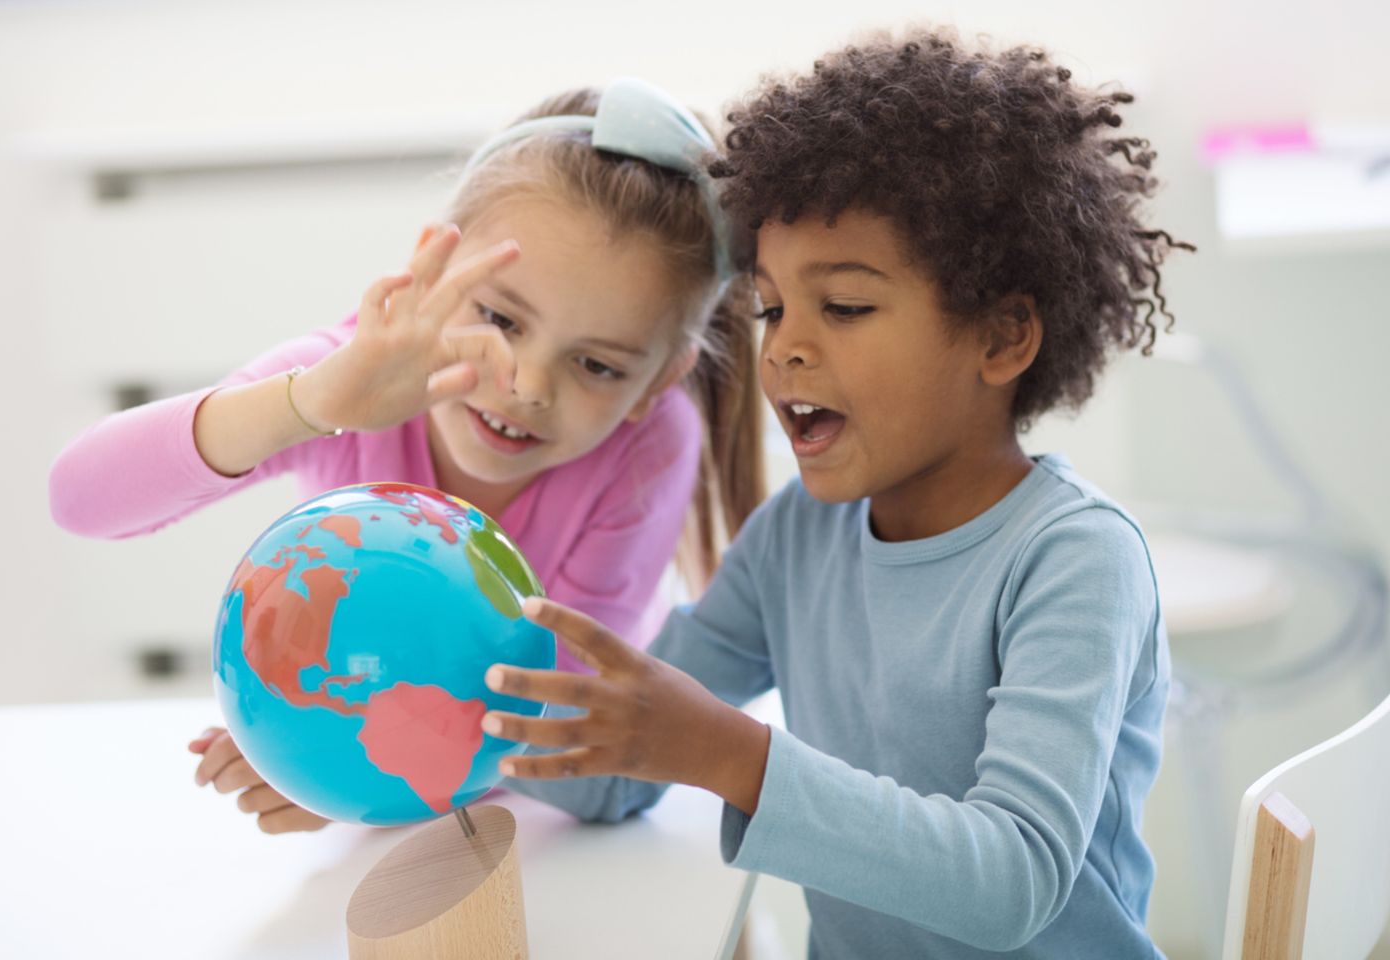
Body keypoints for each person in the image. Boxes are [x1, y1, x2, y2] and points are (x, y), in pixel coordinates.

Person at [483, 30, 1193, 958]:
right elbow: (617, 762)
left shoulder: (1074, 562)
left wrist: (731, 755)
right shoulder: (795, 542)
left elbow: (1011, 879)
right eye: (773, 307)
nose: (783, 349)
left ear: (1003, 337)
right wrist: (430, 726)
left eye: (846, 307)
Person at [48, 79, 764, 833]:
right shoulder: (340, 378)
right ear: (430, 269)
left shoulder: (650, 446)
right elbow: (78, 498)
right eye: (499, 317)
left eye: (598, 366)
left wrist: (349, 768)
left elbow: (564, 712)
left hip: (547, 824)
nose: (526, 384)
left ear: (660, 382)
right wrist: (307, 405)